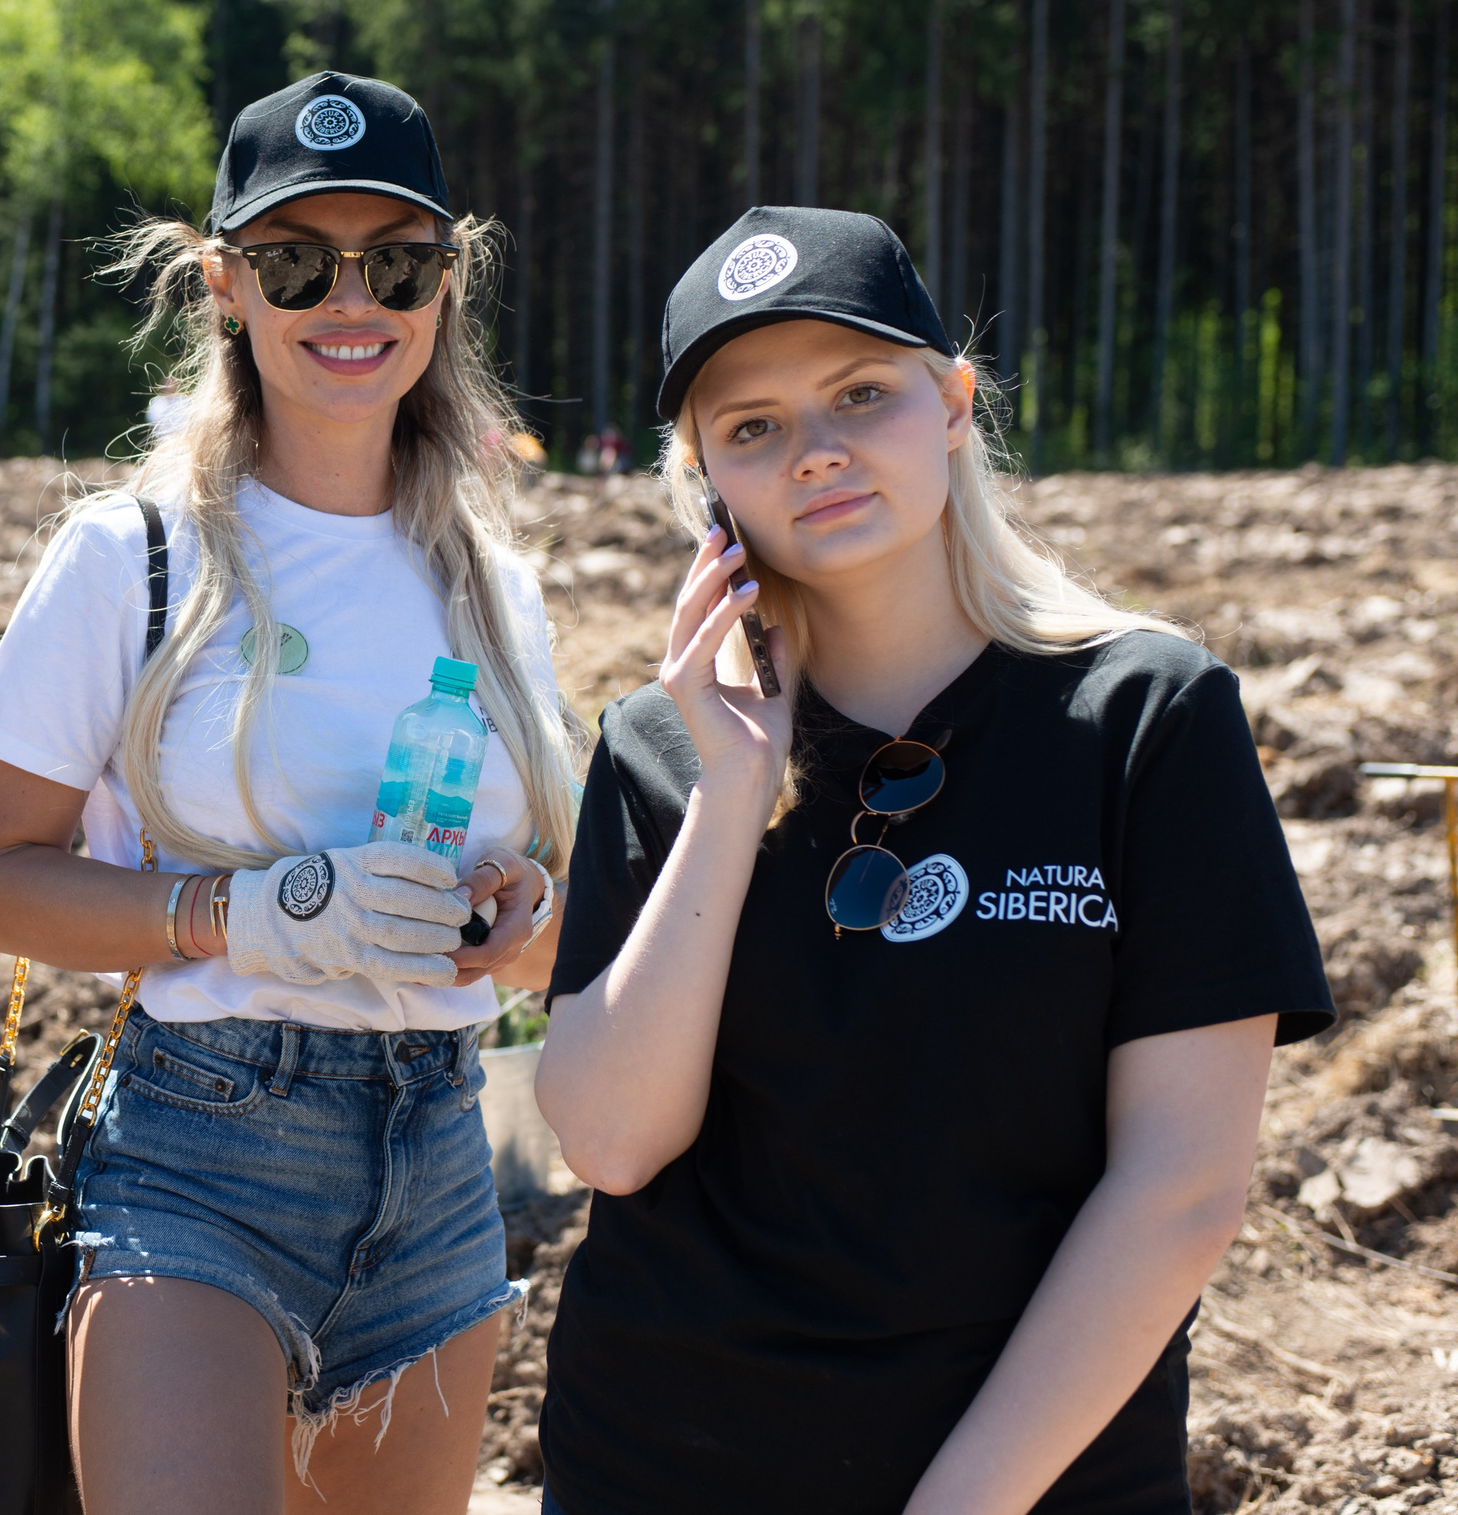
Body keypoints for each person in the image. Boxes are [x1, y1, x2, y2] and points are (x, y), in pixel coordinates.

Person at [533, 207, 1336, 1514]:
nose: (817, 453)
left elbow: (1182, 1189)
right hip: (662, 1462)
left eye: (862, 393)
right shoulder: (659, 746)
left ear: (955, 401)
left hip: (1027, 1482)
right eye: (754, 427)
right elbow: (614, 1142)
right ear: (703, 482)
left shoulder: (1147, 719)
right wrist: (738, 785)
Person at [0, 71, 585, 1515]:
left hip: (439, 1158)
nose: (349, 300)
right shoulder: (133, 559)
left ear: (445, 283)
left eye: (396, 263)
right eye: (299, 262)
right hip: (201, 1153)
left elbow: (547, 931)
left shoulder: (494, 586)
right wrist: (250, 911)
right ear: (229, 285)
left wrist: (520, 913)